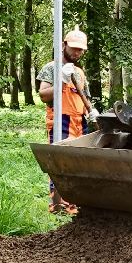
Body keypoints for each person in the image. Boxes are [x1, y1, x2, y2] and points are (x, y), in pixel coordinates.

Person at [38, 29, 94, 215]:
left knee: (79, 163)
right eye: (73, 48)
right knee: (61, 163)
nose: (76, 53)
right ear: (64, 45)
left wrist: (91, 112)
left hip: (80, 120)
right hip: (61, 119)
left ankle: (74, 204)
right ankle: (57, 206)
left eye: (80, 50)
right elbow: (43, 96)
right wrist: (61, 81)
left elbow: (84, 95)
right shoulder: (51, 67)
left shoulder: (79, 72)